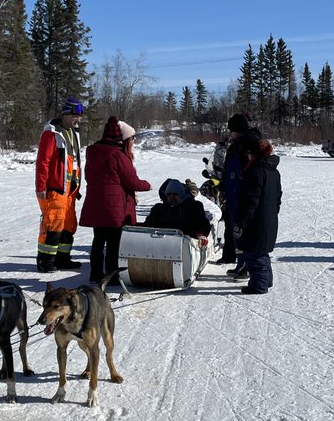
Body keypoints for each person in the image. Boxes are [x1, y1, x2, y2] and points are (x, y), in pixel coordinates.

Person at [80, 116, 151, 284]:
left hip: (96, 202)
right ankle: (111, 276)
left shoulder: (92, 152)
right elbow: (132, 181)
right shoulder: (118, 155)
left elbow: (88, 176)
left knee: (98, 240)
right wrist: (146, 185)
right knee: (113, 242)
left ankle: (95, 273)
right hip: (114, 206)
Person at [35, 96, 84, 273]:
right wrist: (41, 186)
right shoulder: (52, 133)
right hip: (54, 188)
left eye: (79, 116)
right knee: (53, 223)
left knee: (68, 224)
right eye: (75, 116)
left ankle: (63, 259)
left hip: (70, 190)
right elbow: (43, 162)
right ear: (65, 114)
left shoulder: (74, 132)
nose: (77, 119)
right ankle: (45, 261)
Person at [233, 134, 282, 295]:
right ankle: (266, 280)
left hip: (256, 220)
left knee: (254, 253)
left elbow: (249, 202)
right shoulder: (273, 171)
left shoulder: (255, 171)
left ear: (253, 154)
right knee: (261, 252)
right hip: (268, 218)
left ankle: (259, 285)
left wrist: (241, 223)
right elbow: (278, 197)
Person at [221, 112, 261, 274]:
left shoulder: (250, 143)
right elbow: (227, 168)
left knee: (242, 231)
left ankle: (246, 265)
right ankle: (240, 262)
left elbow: (252, 172)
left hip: (242, 194)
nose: (230, 133)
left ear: (238, 130)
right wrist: (223, 186)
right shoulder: (236, 144)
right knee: (234, 230)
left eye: (232, 130)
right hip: (232, 193)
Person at [144, 179, 212, 240]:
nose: (172, 197)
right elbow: (148, 225)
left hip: (186, 244)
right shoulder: (159, 209)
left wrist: (200, 234)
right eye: (169, 194)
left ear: (181, 194)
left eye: (175, 194)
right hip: (160, 243)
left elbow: (203, 224)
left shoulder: (193, 207)